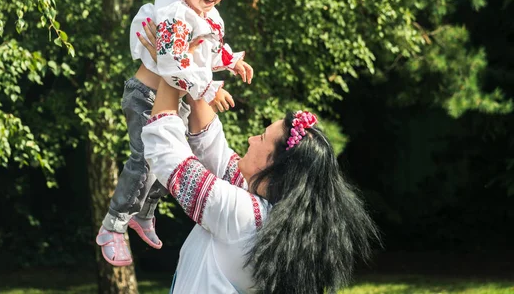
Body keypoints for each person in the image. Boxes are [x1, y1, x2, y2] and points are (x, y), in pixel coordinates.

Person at [136, 21, 379, 293]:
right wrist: (191, 72)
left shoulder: (244, 218)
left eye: (261, 138)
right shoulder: (264, 211)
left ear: (273, 165)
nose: (251, 140)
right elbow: (212, 146)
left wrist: (173, 68)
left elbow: (169, 154)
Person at [95, 0, 253, 266]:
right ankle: (114, 225)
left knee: (172, 162)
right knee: (143, 161)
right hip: (145, 96)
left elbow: (207, 51)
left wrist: (233, 62)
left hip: (173, 98)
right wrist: (210, 88)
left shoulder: (204, 14)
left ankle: (143, 214)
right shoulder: (174, 14)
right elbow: (172, 61)